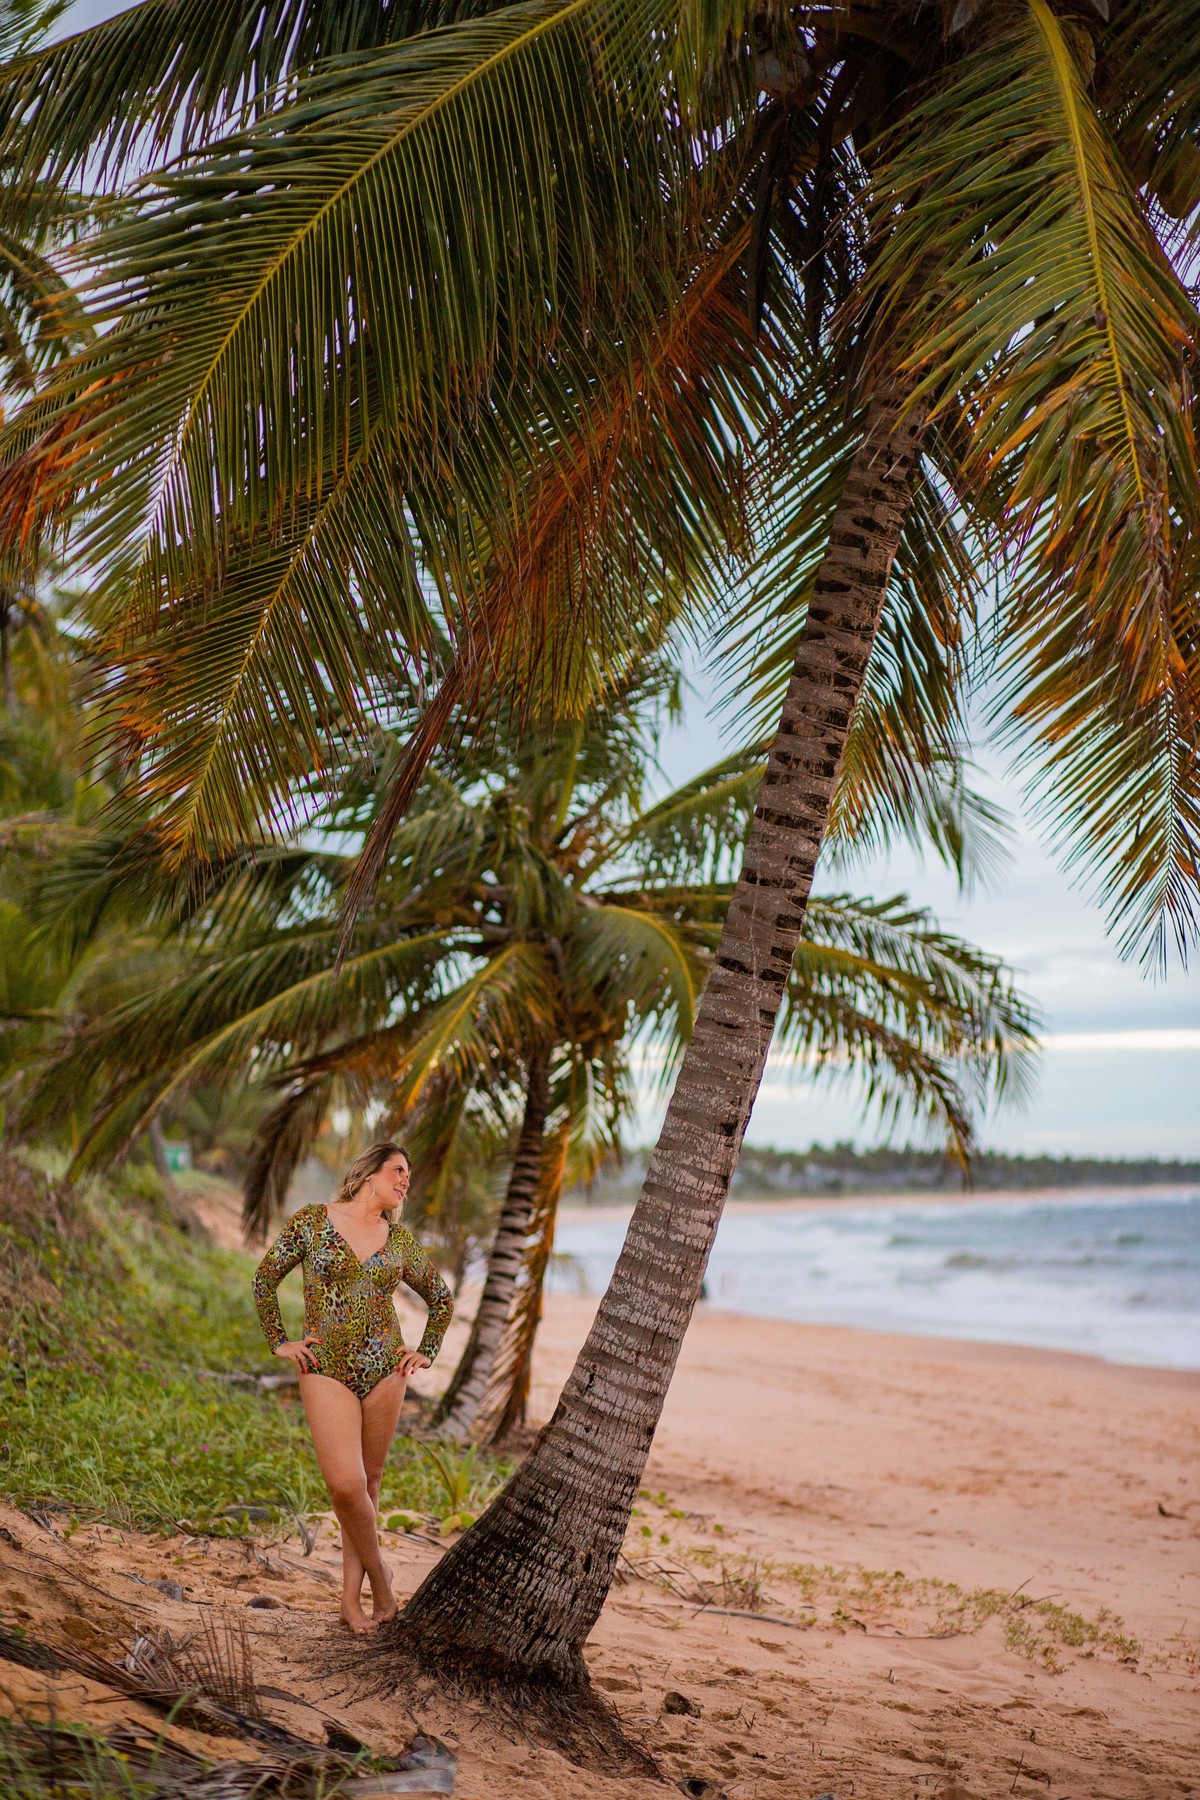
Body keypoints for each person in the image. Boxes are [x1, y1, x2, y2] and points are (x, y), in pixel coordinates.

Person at [252, 1142, 453, 1633]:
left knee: (370, 1485)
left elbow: (441, 1299)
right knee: (345, 1487)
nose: (406, 1180)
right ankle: (381, 1579)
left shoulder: (399, 1240)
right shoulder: (312, 1222)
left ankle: (350, 1603)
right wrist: (280, 1341)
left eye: (409, 1174)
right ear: (369, 1173)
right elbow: (265, 1278)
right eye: (398, 1170)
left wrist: (425, 1349)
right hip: (325, 1364)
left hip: (386, 1367)